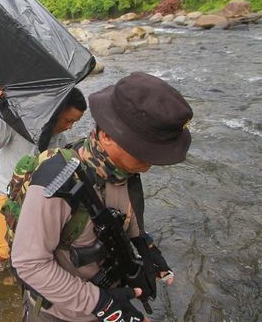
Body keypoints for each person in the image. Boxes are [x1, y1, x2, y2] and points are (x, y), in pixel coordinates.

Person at [11, 72, 192, 322]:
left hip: (105, 296)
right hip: (59, 313)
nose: (151, 162)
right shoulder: (57, 180)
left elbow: (125, 220)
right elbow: (29, 265)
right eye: (144, 151)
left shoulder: (125, 171)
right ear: (107, 136)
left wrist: (146, 248)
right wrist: (104, 306)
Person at [0, 84, 87, 263]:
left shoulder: (60, 139)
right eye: (68, 120)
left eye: (75, 122)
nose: (70, 127)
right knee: (3, 252)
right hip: (4, 193)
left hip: (31, 199)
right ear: (55, 111)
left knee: (29, 245)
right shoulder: (17, 123)